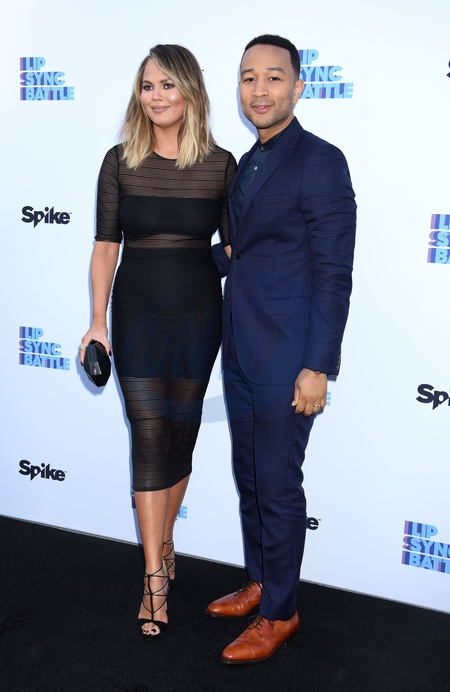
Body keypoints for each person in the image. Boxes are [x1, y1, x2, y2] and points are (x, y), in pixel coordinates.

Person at [207, 35, 357, 664]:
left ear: (298, 86)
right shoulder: (250, 160)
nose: (259, 90)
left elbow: (333, 271)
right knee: (249, 478)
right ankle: (261, 581)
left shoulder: (320, 160)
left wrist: (317, 365)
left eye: (273, 77)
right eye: (249, 78)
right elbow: (247, 252)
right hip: (241, 349)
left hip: (290, 357)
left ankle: (281, 612)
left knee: (276, 484)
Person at [79, 44, 236, 638]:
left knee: (179, 435)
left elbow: (234, 248)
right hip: (137, 312)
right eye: (148, 86)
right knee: (148, 436)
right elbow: (105, 246)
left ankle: (166, 540)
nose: (157, 96)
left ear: (191, 91)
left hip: (197, 315)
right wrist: (97, 322)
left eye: (168, 84)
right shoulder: (120, 161)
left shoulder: (221, 165)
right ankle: (153, 577)